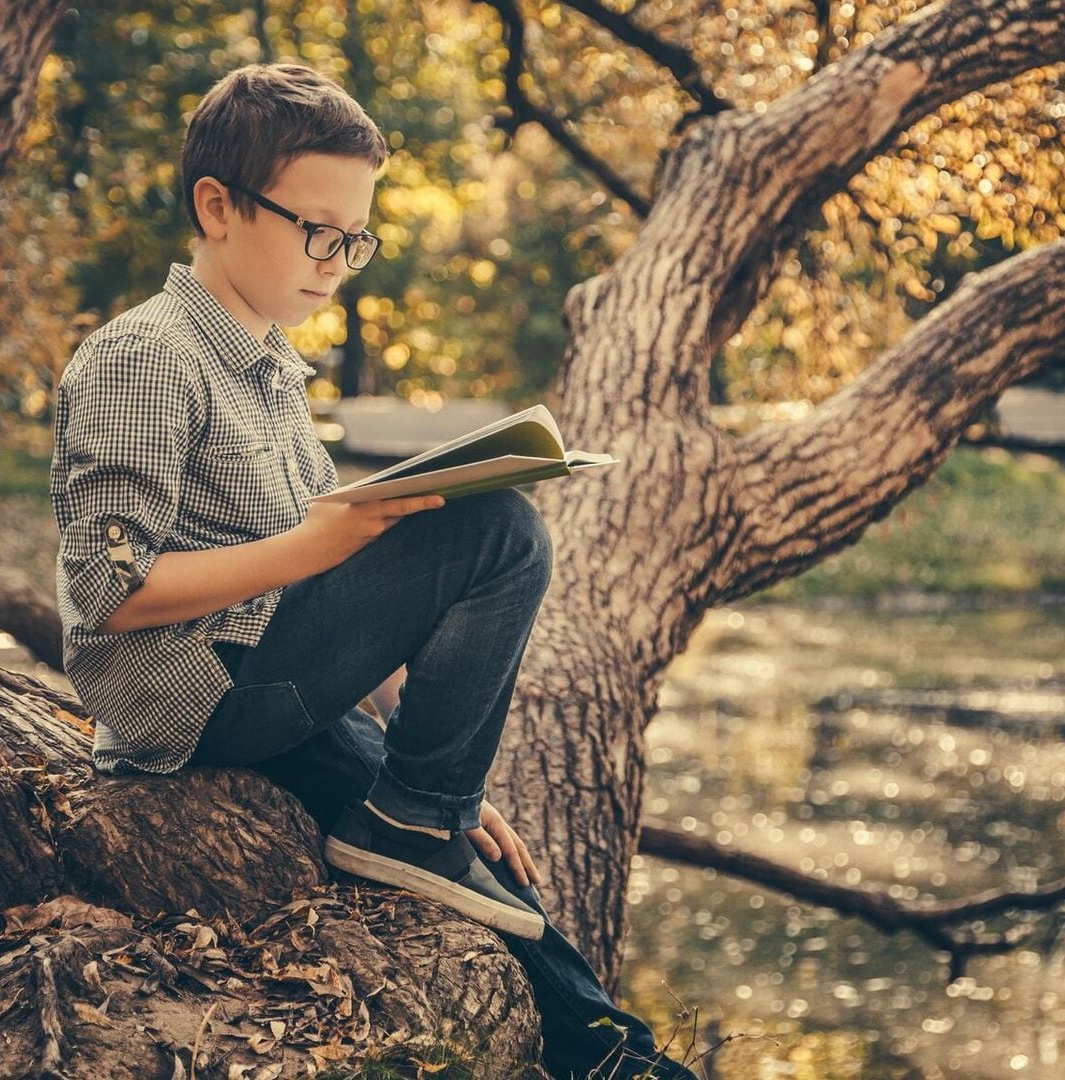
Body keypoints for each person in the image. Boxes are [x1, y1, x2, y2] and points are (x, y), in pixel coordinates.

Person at [49, 61, 697, 1079]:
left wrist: (434, 771)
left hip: (263, 673)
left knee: (470, 867)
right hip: (195, 694)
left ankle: (619, 1060)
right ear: (217, 207)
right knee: (502, 532)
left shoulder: (269, 369)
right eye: (319, 231)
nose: (339, 261)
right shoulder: (146, 356)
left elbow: (326, 610)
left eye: (357, 239)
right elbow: (107, 590)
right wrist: (317, 545)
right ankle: (412, 823)